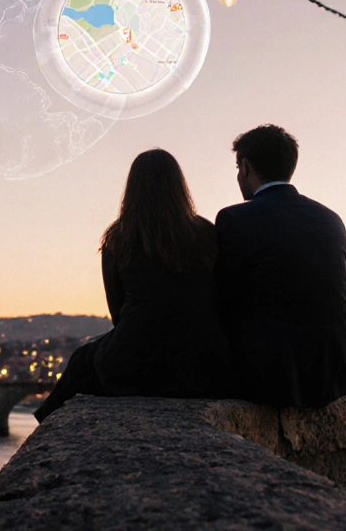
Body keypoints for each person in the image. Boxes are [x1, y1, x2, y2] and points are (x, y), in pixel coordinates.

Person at [35, 149, 234, 421]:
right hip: (202, 367)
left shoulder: (119, 237)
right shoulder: (205, 232)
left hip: (135, 365)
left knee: (82, 361)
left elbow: (118, 312)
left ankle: (44, 439)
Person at [214, 125, 346, 408]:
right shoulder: (331, 220)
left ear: (245, 167)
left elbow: (221, 300)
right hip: (334, 373)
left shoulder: (235, 220)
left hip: (268, 377)